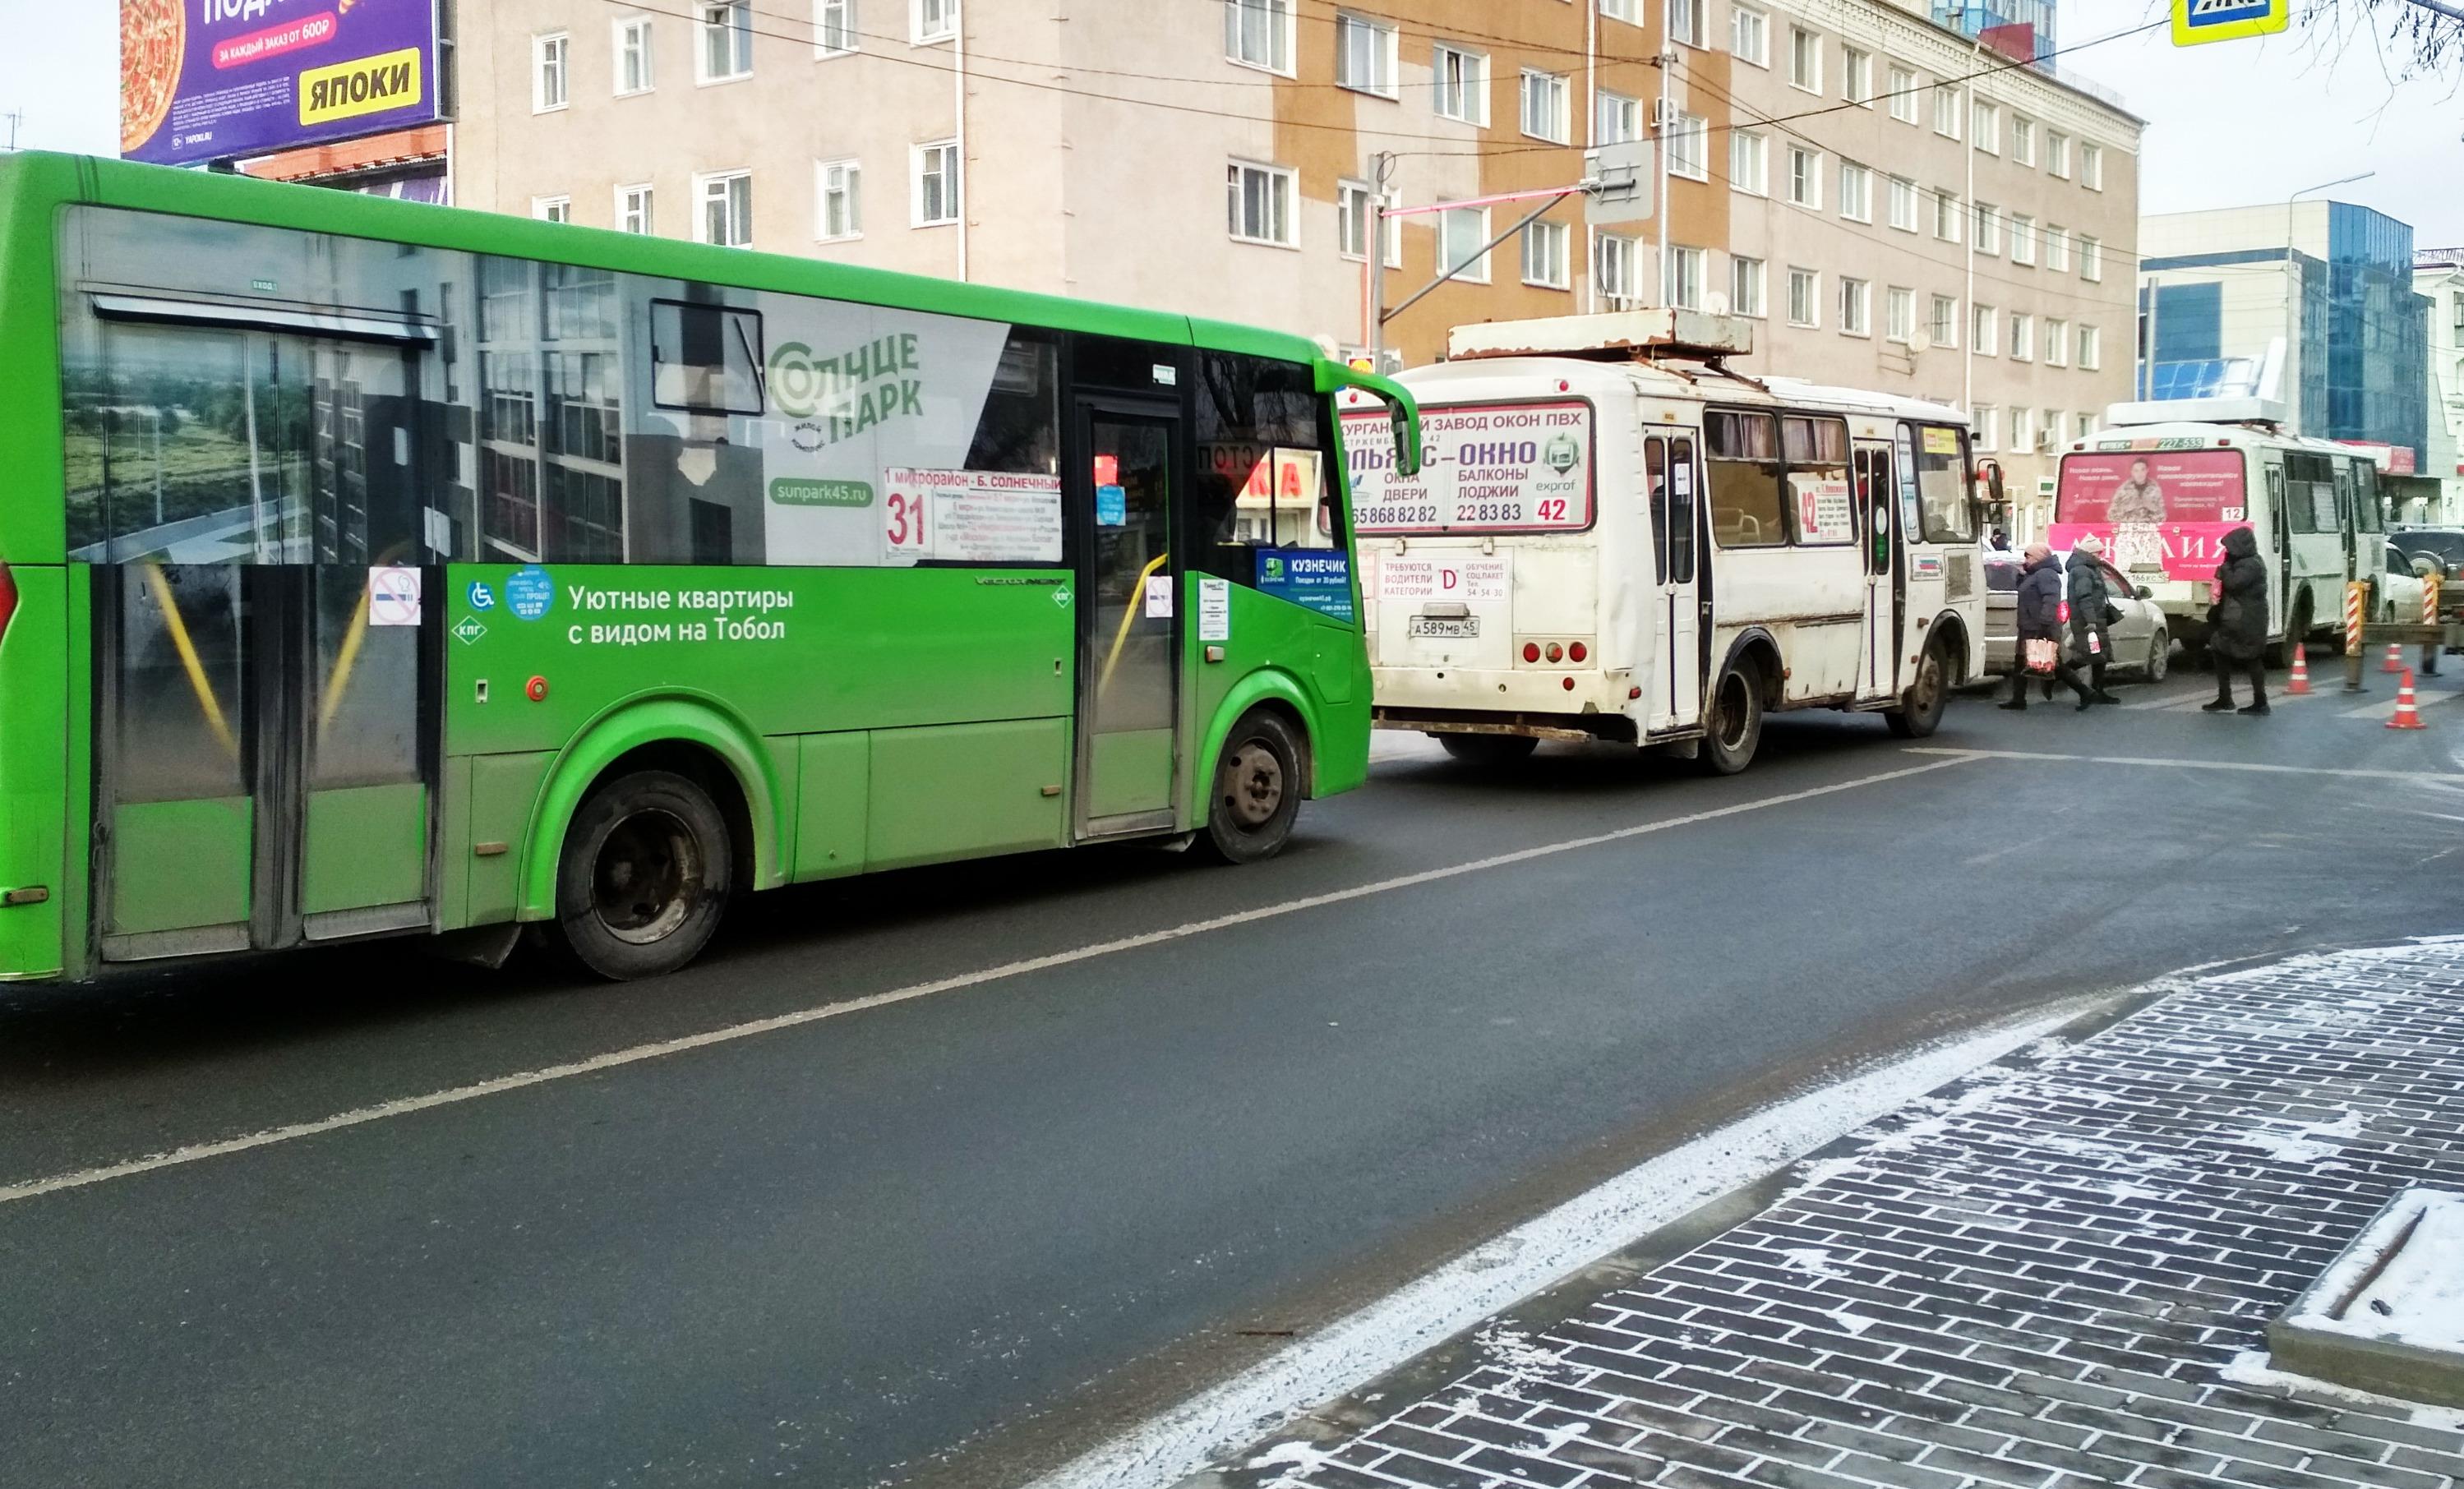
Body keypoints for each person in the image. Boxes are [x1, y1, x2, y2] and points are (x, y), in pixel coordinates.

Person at [2003, 544, 2097, 712]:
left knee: (2052, 663)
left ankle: (2085, 691)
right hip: (2028, 625)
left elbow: (2051, 600)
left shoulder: (2047, 574)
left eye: (2028, 556)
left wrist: (2044, 624)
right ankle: (2018, 699)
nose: (2026, 560)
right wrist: (2021, 576)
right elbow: (2026, 593)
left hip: (2040, 625)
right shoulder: (2034, 574)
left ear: (2039, 557)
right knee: (2020, 662)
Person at [2204, 525, 2271, 716]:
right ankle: (2225, 697)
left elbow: (2234, 584)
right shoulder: (2245, 562)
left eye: (2230, 548)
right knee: (2219, 651)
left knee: (2252, 658)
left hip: (2248, 620)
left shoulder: (2251, 564)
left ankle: (2260, 701)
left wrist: (2224, 568)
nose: (2227, 552)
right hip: (2235, 619)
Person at [2065, 536, 2125, 704]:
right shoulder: (2082, 570)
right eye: (2098, 553)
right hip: (2087, 622)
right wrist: (2091, 621)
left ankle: (2098, 691)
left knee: (2101, 656)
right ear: (2090, 553)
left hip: (2097, 619)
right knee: (2087, 656)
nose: (2100, 556)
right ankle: (2059, 675)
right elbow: (2084, 597)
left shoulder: (2090, 568)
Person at [2109, 459, 2166, 523]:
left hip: (2149, 530)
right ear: (2132, 472)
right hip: (2128, 530)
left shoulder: (2155, 490)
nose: (2140, 474)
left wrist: (2152, 509)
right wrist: (2126, 513)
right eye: (2136, 471)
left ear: (2147, 470)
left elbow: (2162, 517)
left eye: (2143, 470)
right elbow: (2112, 515)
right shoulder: (2123, 490)